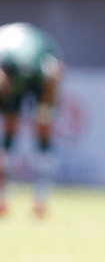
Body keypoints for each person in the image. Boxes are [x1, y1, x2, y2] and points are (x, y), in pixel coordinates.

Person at [0, 22, 63, 219]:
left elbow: (55, 70)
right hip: (14, 70)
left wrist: (45, 106)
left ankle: (41, 196)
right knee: (9, 131)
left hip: (40, 68)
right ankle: (3, 196)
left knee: (43, 127)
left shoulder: (30, 64)